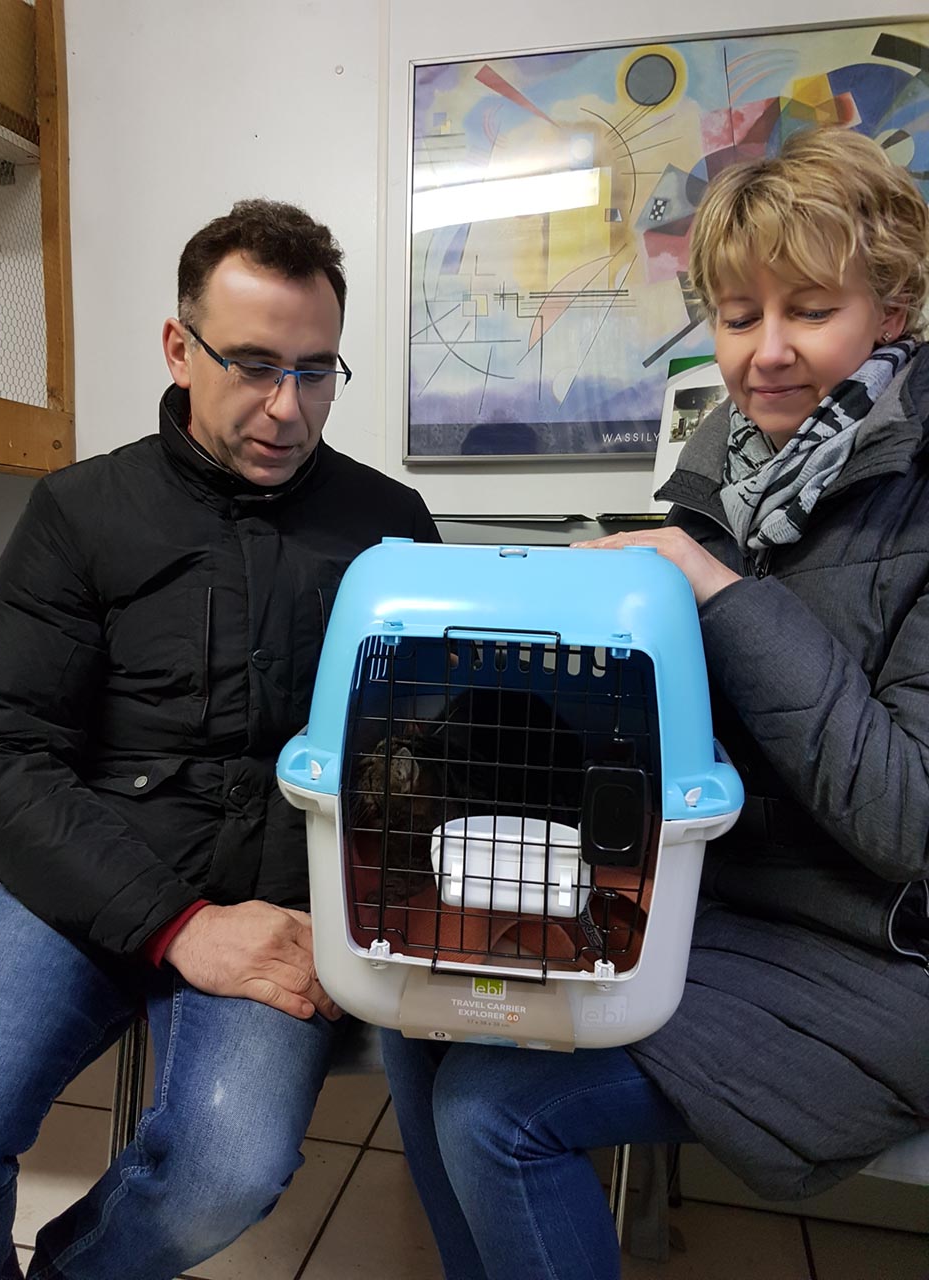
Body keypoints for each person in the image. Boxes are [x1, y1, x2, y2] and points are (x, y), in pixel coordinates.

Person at [381, 125, 929, 1279]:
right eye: (736, 315)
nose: (765, 353)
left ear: (890, 306)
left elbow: (905, 821)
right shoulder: (725, 466)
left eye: (809, 309)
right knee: (412, 1008)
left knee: (493, 1110)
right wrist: (499, 697)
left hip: (875, 950)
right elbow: (665, 725)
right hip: (708, 896)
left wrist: (718, 590)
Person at [0, 198, 438, 1280]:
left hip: (285, 903)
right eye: (255, 365)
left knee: (225, 1170)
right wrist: (178, 924)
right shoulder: (79, 512)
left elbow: (428, 759)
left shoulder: (391, 527)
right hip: (92, 871)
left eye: (315, 371)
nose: (287, 407)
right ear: (180, 349)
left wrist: (360, 916)